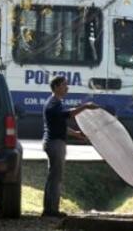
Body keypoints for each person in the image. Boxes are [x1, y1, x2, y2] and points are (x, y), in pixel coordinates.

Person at [42, 75, 99, 218]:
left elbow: (61, 125)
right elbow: (69, 114)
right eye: (64, 85)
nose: (67, 88)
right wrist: (85, 107)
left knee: (53, 177)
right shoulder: (53, 103)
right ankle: (52, 211)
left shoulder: (56, 103)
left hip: (54, 142)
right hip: (55, 143)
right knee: (56, 178)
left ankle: (49, 209)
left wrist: (76, 134)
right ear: (56, 87)